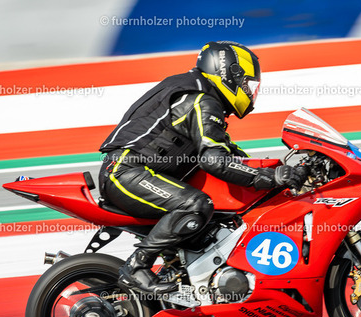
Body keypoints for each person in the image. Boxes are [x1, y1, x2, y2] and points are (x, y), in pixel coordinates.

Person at [98, 41, 306, 295]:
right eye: (246, 84)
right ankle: (136, 267)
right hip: (126, 172)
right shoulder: (201, 100)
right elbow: (214, 161)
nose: (249, 92)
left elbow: (228, 152)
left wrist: (277, 170)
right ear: (229, 74)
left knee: (214, 220)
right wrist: (268, 177)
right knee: (195, 205)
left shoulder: (198, 95)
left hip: (137, 172)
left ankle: (181, 276)